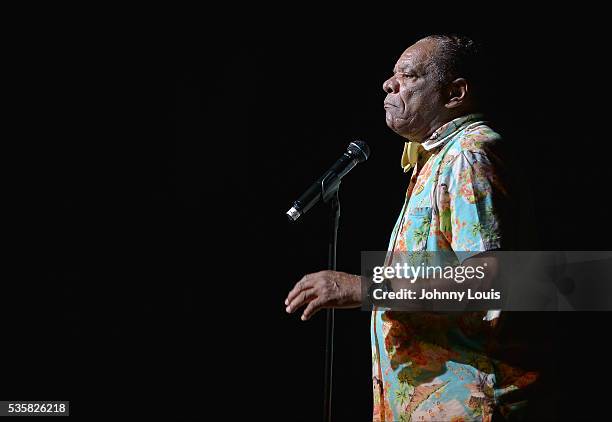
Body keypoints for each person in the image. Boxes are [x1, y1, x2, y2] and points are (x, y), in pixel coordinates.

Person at [285, 35, 542, 421]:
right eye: (392, 75)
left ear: (455, 93)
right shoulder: (436, 160)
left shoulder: (470, 155)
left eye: (408, 75)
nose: (389, 84)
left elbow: (490, 281)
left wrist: (361, 287)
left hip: (469, 405)